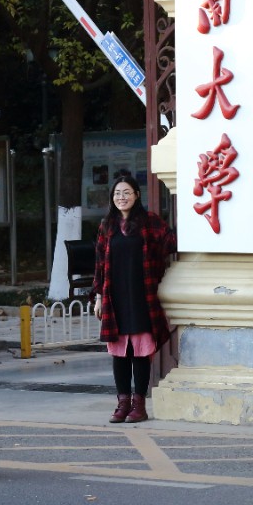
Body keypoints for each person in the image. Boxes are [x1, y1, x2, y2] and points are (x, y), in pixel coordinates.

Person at [92, 174, 175, 424]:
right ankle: (122, 403)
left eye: (127, 192)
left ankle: (139, 404)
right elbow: (99, 265)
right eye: (117, 193)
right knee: (119, 353)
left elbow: (170, 242)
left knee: (140, 352)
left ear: (137, 195)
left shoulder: (149, 222)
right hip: (115, 295)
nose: (122, 197)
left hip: (142, 294)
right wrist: (98, 297)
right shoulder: (107, 226)